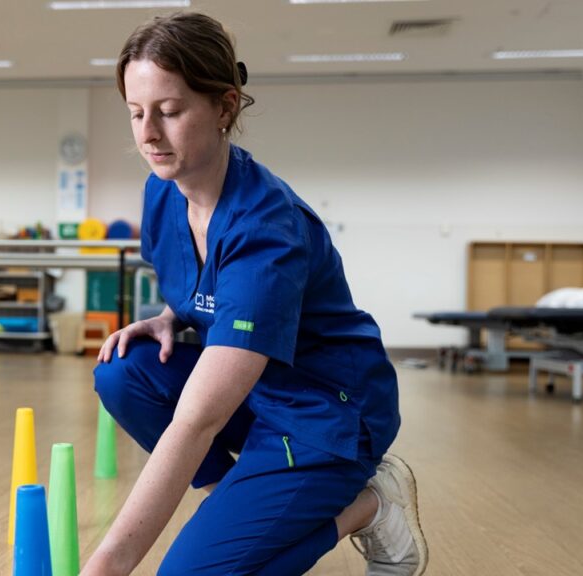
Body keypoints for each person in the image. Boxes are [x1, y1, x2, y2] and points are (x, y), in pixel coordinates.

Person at [82, 12, 428, 576]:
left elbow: (198, 421)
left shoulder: (266, 229)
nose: (148, 134)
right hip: (256, 389)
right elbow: (202, 280)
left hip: (324, 412)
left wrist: (107, 565)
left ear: (225, 107)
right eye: (136, 112)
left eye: (169, 111)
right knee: (125, 370)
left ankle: (369, 506)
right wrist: (171, 315)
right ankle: (240, 514)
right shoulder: (163, 190)